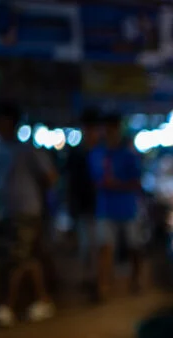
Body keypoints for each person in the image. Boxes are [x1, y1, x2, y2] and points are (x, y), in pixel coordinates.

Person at [0, 101, 58, 326]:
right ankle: (43, 300)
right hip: (10, 211)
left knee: (17, 258)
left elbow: (50, 177)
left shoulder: (26, 150)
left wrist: (38, 196)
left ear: (9, 123)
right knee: (26, 258)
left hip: (27, 212)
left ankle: (7, 307)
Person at [89, 113, 145, 298]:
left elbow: (137, 182)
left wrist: (117, 185)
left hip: (127, 207)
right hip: (105, 208)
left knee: (133, 246)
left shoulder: (128, 154)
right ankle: (103, 285)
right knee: (105, 247)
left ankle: (135, 279)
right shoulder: (96, 153)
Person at [67, 108, 101, 283]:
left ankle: (99, 280)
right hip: (84, 206)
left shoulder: (103, 151)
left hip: (103, 206)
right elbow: (71, 183)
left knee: (100, 246)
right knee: (87, 246)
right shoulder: (77, 154)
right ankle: (92, 278)